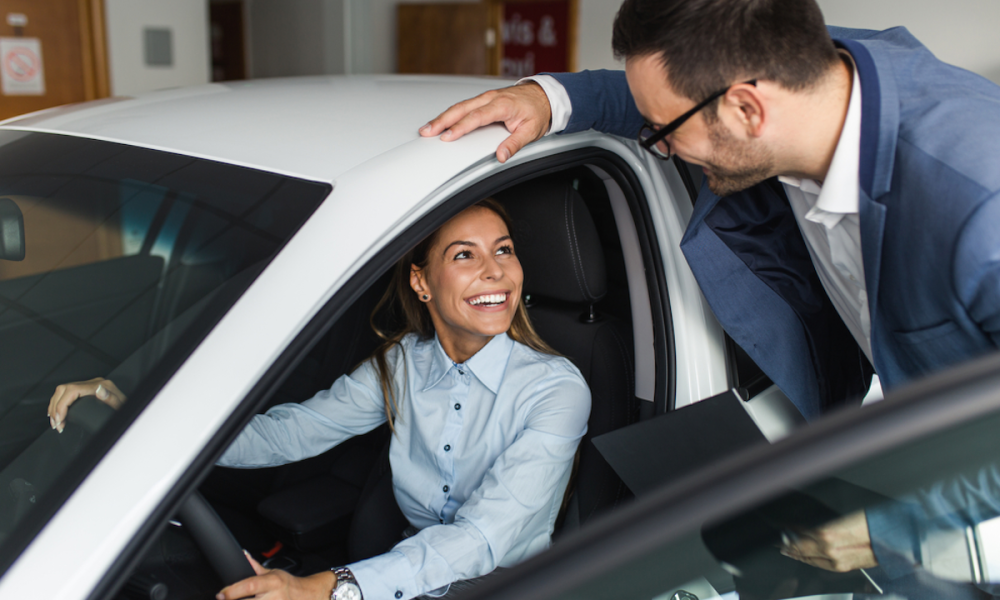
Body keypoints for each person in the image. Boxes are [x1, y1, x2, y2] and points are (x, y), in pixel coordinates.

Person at [419, 0, 1000, 591]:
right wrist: (551, 99)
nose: (658, 147)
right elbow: (663, 96)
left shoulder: (980, 212)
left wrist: (897, 527)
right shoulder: (810, 70)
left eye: (663, 134)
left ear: (747, 109)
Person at [47, 200, 591, 600]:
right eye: (465, 255)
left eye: (504, 251)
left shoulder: (555, 391)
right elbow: (291, 432)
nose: (494, 271)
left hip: (508, 585)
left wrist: (324, 589)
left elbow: (478, 541)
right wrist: (136, 414)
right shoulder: (402, 362)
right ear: (422, 283)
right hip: (400, 577)